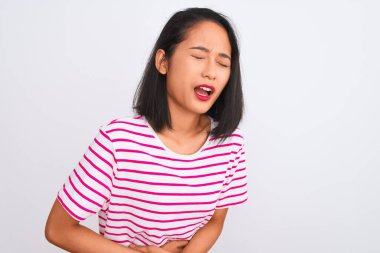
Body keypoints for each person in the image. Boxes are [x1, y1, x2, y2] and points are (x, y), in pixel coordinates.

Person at [45, 7, 248, 253]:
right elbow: (58, 229)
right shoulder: (117, 141)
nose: (211, 72)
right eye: (198, 56)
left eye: (222, 63)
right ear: (163, 62)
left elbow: (216, 220)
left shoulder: (230, 144)